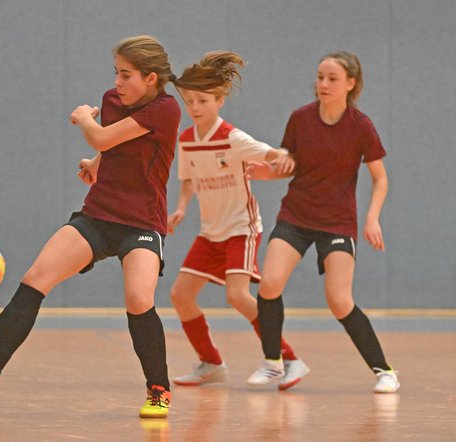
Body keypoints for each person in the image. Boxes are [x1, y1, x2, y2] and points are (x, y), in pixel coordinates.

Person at [0, 35, 182, 418]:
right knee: (36, 278)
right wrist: (96, 164)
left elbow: (103, 135)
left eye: (126, 75)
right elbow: (115, 146)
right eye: (116, 72)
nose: (117, 82)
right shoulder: (112, 99)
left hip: (142, 223)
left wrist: (84, 118)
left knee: (138, 299)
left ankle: (158, 390)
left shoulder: (166, 109)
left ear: (150, 78)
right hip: (98, 214)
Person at [246, 50, 399, 393]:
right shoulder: (300, 119)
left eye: (332, 78)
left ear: (350, 84)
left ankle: (385, 370)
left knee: (339, 300)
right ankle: (273, 362)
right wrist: (267, 171)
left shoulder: (361, 126)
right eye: (320, 77)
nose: (323, 84)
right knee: (269, 284)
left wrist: (372, 218)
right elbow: (291, 166)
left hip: (337, 222)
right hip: (296, 215)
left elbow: (381, 179)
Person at [167, 51, 309, 390]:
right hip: (210, 232)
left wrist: (283, 157)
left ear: (219, 101)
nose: (195, 107)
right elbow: (187, 180)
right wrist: (181, 208)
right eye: (189, 100)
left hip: (241, 229)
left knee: (237, 295)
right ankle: (211, 362)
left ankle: (288, 358)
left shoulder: (232, 138)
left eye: (203, 100)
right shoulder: (186, 140)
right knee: (180, 295)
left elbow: (270, 152)